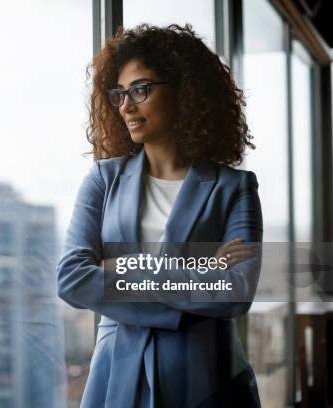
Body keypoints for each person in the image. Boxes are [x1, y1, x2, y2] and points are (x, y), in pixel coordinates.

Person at [56, 23, 263, 407]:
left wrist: (121, 266)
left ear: (185, 89)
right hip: (115, 380)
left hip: (207, 382)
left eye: (140, 89)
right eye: (119, 94)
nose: (126, 107)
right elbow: (71, 280)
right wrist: (201, 274)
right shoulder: (104, 179)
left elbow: (236, 293)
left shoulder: (235, 187)